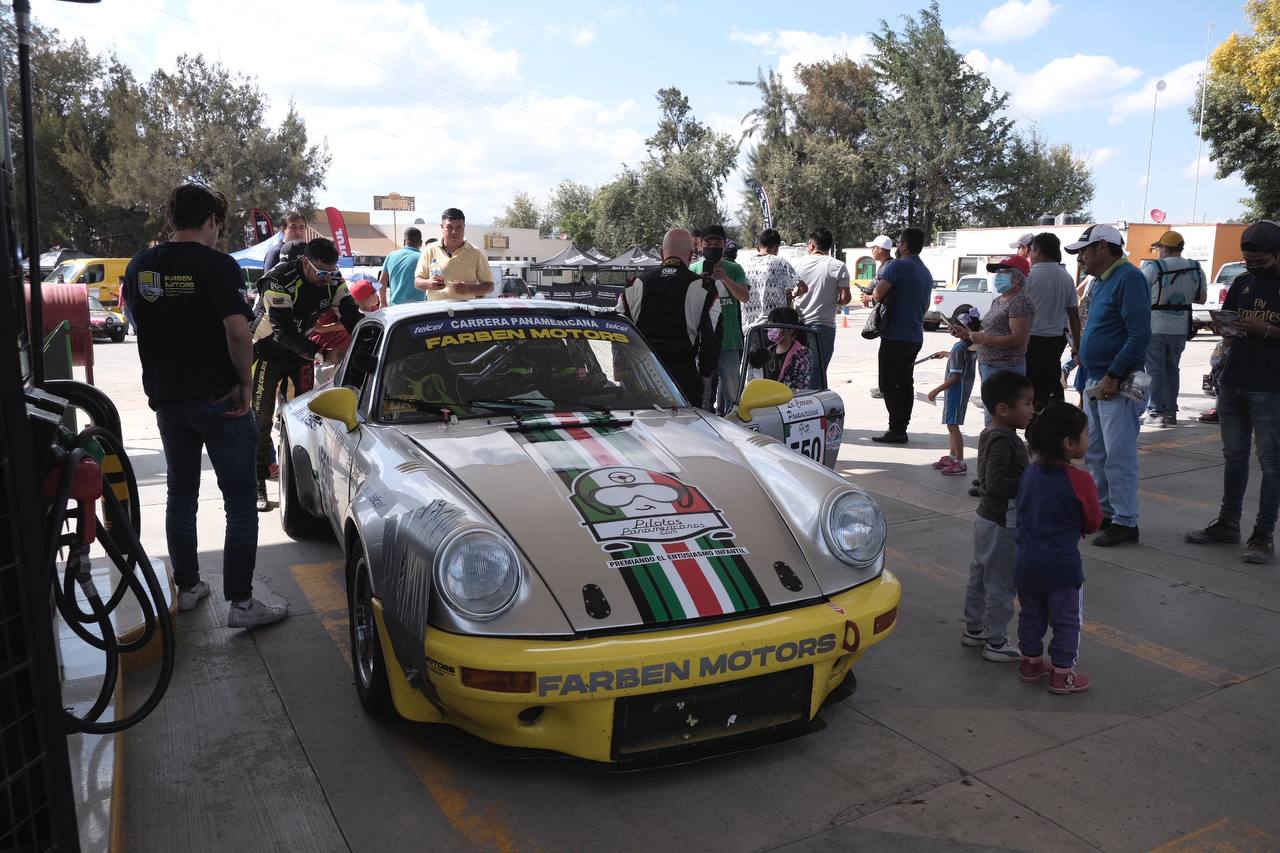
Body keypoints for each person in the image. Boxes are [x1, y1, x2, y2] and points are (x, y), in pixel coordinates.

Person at [122, 183, 287, 628]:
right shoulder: (218, 265)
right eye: (219, 225)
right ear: (211, 221)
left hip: (169, 403)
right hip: (221, 402)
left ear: (172, 220)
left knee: (181, 495)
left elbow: (133, 319)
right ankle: (241, 604)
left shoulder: (140, 266)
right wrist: (244, 383)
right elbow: (238, 332)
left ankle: (190, 587)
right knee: (238, 501)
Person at [1185, 220, 1280, 564]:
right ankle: (1228, 524)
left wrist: (1265, 329)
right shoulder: (1241, 282)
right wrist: (1225, 327)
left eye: (1259, 261)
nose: (1252, 267)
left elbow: (1265, 329)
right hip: (1234, 380)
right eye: (1248, 261)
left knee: (1271, 464)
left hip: (1270, 387)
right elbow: (1235, 324)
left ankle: (1263, 534)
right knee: (1234, 459)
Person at [252, 237, 363, 511]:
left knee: (301, 419)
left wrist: (365, 342)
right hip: (266, 350)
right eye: (321, 273)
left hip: (300, 354)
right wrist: (322, 354)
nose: (327, 279)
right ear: (305, 263)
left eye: (331, 272)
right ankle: (257, 484)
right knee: (260, 420)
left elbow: (350, 315)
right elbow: (282, 332)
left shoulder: (333, 278)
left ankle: (294, 479)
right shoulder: (277, 280)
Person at [1065, 223, 1151, 547]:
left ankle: (1126, 521)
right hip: (1097, 378)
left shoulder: (1129, 278)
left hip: (1120, 379)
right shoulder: (1102, 282)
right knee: (1098, 450)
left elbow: (1140, 335)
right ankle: (1106, 513)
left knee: (1120, 452)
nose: (1080, 258)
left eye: (1084, 251)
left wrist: (1114, 374)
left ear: (1102, 247)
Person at [1015, 402, 1102, 694]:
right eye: (1086, 434)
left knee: (1031, 614)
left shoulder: (1030, 473)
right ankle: (1062, 674)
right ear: (1068, 443)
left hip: (1026, 561)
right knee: (1066, 621)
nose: (1089, 440)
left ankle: (1030, 663)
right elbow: (1092, 522)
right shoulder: (1081, 480)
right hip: (1062, 566)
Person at [962, 370, 1034, 662]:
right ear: (1003, 409)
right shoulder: (1005, 440)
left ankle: (974, 629)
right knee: (1000, 582)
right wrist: (1033, 482)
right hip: (1003, 523)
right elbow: (994, 484)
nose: (1032, 410)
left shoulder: (992, 433)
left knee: (980, 575)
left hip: (987, 520)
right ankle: (996, 640)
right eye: (1027, 403)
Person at [617, 228, 720, 406]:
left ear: (661, 253)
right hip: (683, 380)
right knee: (685, 431)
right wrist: (706, 376)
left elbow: (617, 328)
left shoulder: (634, 285)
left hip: (640, 378)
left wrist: (620, 367)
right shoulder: (705, 288)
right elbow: (712, 338)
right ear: (690, 255)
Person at [861, 228, 933, 443]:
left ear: (903, 245)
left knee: (888, 384)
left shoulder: (898, 266)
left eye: (899, 243)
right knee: (905, 382)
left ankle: (896, 430)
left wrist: (871, 297)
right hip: (914, 335)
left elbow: (876, 293)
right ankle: (901, 426)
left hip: (895, 335)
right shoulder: (925, 271)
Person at [958, 256, 1034, 428]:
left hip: (1005, 367)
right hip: (990, 365)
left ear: (1017, 278)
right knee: (992, 416)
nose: (997, 276)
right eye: (997, 272)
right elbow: (993, 331)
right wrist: (968, 334)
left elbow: (1018, 339)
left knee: (999, 419)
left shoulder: (1019, 301)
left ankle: (997, 451)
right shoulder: (998, 300)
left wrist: (983, 338)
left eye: (1002, 272)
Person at [1142, 230, 1207, 426]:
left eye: (1159, 247)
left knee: (1154, 370)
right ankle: (1170, 412)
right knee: (1172, 369)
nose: (1158, 251)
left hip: (1155, 326)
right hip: (1180, 328)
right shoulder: (1196, 268)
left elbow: (1138, 291)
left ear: (1165, 248)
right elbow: (1202, 298)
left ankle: (1155, 413)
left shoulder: (1154, 267)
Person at [690, 224, 750, 414]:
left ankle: (735, 432)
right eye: (709, 242)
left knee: (733, 395)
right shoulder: (693, 268)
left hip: (729, 342)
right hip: (701, 342)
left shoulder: (734, 268)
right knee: (702, 395)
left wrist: (725, 279)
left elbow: (745, 297)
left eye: (718, 243)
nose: (713, 247)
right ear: (701, 244)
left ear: (724, 245)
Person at [1024, 233, 1081, 416]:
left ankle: (1032, 420)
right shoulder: (1066, 277)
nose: (1030, 255)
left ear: (1038, 251)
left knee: (1028, 385)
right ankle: (1052, 418)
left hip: (1030, 340)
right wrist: (1077, 345)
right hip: (1056, 340)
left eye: (1031, 250)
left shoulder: (1029, 277)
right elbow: (1073, 314)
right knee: (1050, 382)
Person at [793, 228, 852, 388]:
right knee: (818, 370)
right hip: (824, 326)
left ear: (811, 245)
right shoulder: (837, 266)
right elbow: (845, 299)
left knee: (800, 368)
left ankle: (800, 402)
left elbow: (789, 292)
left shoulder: (797, 264)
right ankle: (814, 404)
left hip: (798, 325)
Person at [927, 305, 981, 477]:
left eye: (956, 327)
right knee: (952, 425)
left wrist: (936, 390)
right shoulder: (970, 346)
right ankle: (952, 456)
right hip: (961, 392)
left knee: (953, 426)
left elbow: (955, 377)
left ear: (966, 330)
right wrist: (947, 354)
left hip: (955, 392)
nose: (952, 329)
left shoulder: (959, 349)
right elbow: (961, 360)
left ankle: (960, 461)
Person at [414, 208, 494, 301]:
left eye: (459, 227)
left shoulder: (476, 253)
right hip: (436, 312)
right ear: (442, 227)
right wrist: (429, 284)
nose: (454, 232)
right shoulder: (429, 250)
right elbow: (417, 282)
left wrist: (469, 289)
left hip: (464, 313)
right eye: (449, 227)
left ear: (464, 227)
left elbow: (490, 286)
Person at [742, 228, 807, 331]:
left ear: (758, 246)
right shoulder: (780, 263)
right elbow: (802, 288)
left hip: (751, 329)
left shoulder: (745, 265)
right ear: (777, 247)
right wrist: (793, 294)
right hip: (775, 327)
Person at [307, 278, 380, 358]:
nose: (377, 295)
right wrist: (322, 328)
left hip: (337, 353)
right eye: (375, 293)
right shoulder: (371, 316)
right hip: (328, 353)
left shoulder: (373, 310)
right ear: (369, 299)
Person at [748, 306, 813, 393]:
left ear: (790, 330)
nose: (770, 329)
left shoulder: (801, 355)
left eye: (774, 326)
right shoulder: (770, 350)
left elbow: (799, 388)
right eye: (770, 325)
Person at [865, 234, 894, 400]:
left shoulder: (887, 267)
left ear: (881, 249)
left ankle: (885, 388)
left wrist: (869, 297)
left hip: (888, 319)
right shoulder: (886, 266)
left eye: (874, 247)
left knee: (886, 355)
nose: (872, 251)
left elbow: (878, 290)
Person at [380, 227, 425, 305]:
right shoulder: (423, 258)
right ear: (421, 243)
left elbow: (382, 281)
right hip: (418, 309)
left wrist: (383, 302)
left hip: (396, 308)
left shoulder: (391, 255)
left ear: (404, 241)